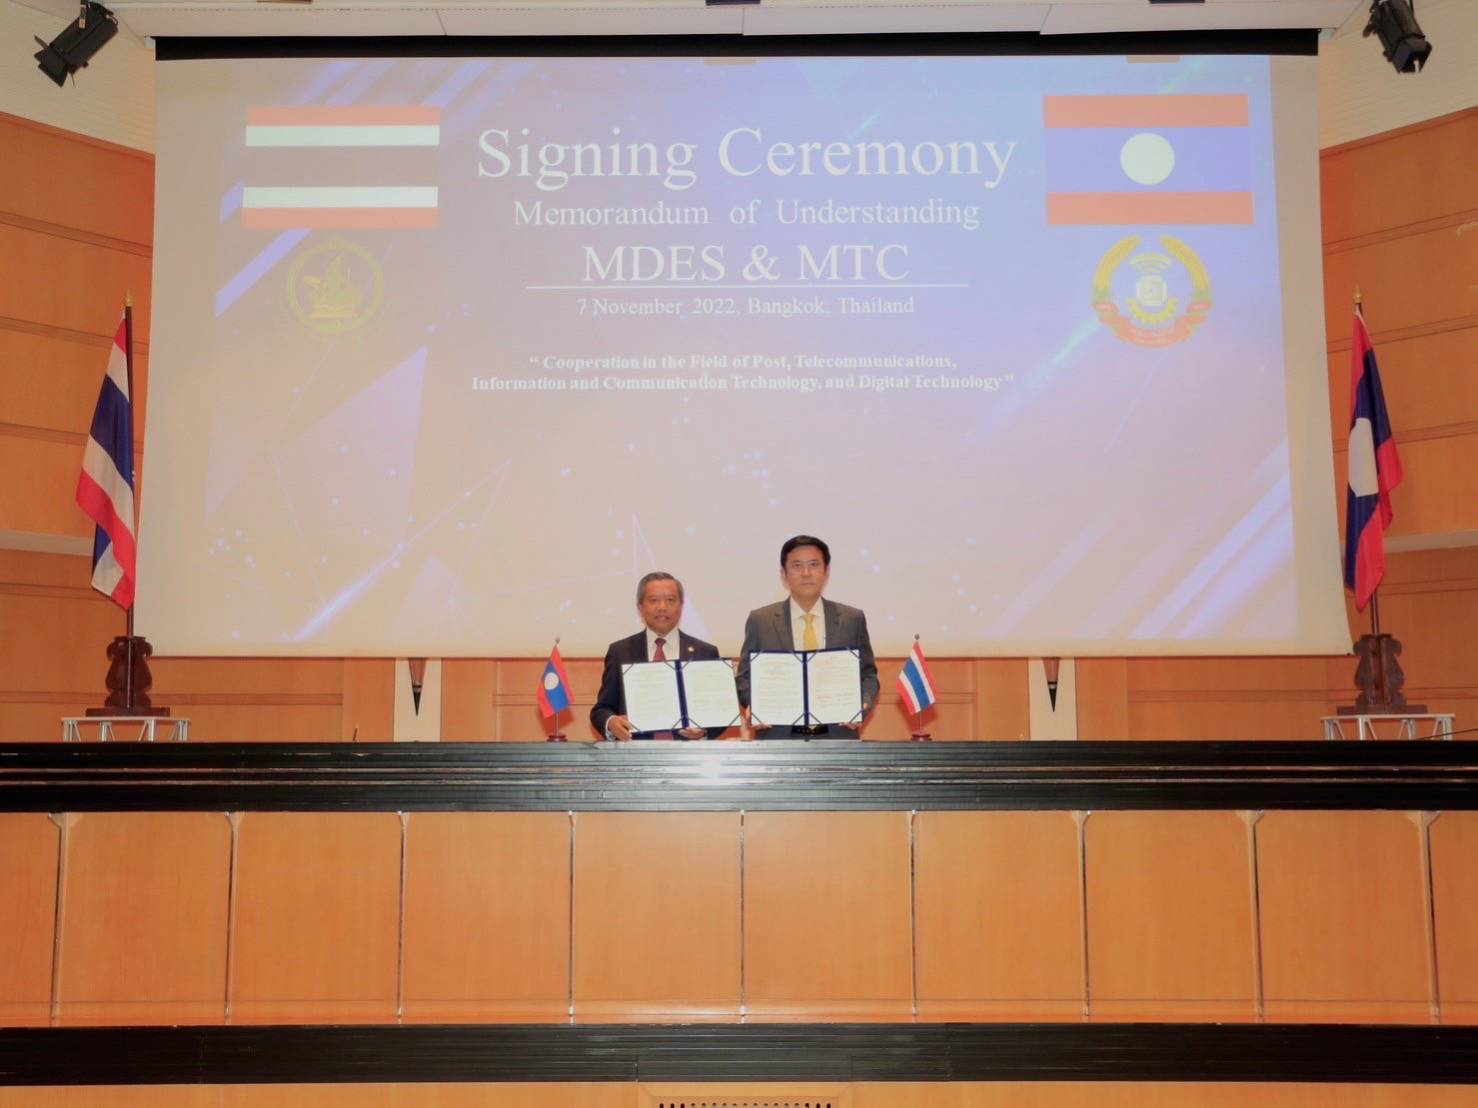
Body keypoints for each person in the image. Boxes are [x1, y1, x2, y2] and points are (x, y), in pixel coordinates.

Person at [736, 535, 879, 739]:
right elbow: (744, 677)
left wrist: (861, 705)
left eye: (814, 564)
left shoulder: (852, 619)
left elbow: (868, 675)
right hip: (778, 737)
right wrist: (755, 705)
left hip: (838, 736)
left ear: (826, 571)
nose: (806, 573)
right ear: (784, 574)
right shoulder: (761, 620)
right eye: (797, 566)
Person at [591, 571, 725, 741]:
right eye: (654, 600)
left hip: (689, 754)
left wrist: (704, 731)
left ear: (681, 606)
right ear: (640, 607)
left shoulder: (705, 652)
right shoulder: (620, 652)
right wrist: (611, 722)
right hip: (635, 754)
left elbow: (719, 711)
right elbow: (601, 709)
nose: (662, 607)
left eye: (670, 600)